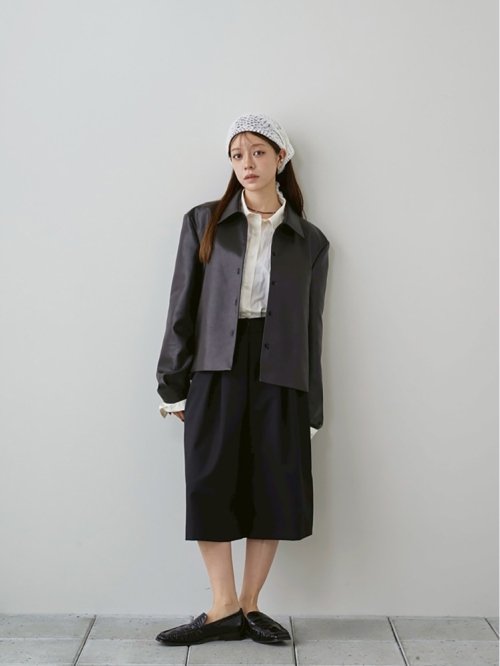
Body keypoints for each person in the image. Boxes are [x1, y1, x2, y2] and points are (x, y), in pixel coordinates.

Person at [154, 113, 330, 646]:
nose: (246, 164)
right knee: (209, 479)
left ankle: (250, 606)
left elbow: (312, 327)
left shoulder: (310, 241)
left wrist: (312, 406)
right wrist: (172, 384)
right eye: (237, 155)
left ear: (280, 157)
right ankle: (222, 607)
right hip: (215, 363)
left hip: (281, 369)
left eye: (257, 152)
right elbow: (181, 305)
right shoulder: (203, 221)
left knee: (272, 482)